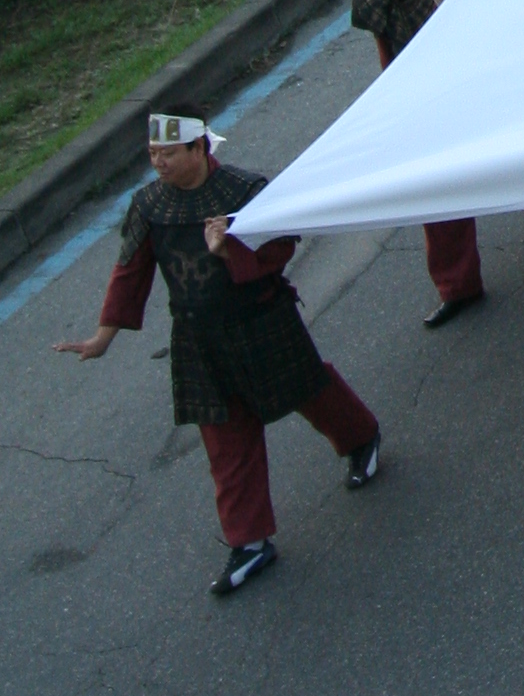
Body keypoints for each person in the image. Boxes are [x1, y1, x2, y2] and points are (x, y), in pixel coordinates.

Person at [55, 114, 382, 598]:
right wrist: (103, 337)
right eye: (152, 154)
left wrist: (228, 249)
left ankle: (361, 438)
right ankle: (248, 541)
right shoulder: (148, 205)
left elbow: (281, 247)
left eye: (168, 153)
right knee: (224, 435)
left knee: (308, 390)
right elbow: (130, 270)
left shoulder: (245, 191)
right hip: (197, 338)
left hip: (262, 321)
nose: (158, 162)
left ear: (199, 148)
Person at [350, 0, 481, 327]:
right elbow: (385, 45)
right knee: (435, 188)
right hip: (421, 98)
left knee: (501, 158)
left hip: (465, 83)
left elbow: (481, 24)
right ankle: (456, 285)